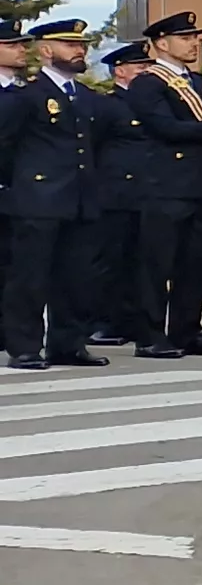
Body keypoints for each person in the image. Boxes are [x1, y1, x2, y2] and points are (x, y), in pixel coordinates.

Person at [107, 14, 202, 359]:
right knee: (155, 265)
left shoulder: (193, 79)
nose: (193, 43)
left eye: (194, 37)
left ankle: (186, 329)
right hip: (165, 185)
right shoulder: (149, 82)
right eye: (185, 37)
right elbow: (166, 127)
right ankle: (149, 334)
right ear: (162, 43)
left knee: (195, 264)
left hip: (200, 183)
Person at [0, 20, 101, 367]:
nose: (79, 50)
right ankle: (25, 345)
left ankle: (68, 343)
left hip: (79, 196)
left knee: (76, 277)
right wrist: (19, 186)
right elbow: (5, 146)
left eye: (82, 45)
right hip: (37, 197)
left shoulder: (84, 97)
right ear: (45, 51)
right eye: (69, 45)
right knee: (30, 276)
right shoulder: (27, 96)